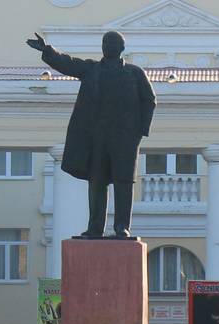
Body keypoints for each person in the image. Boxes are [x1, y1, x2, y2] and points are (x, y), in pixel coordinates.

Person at [27, 29, 156, 240]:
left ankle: (122, 228)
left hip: (125, 139)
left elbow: (149, 100)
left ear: (121, 48)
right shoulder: (91, 70)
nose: (108, 46)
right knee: (97, 183)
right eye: (106, 43)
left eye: (113, 43)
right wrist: (47, 50)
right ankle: (95, 228)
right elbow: (67, 63)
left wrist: (140, 131)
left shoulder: (134, 73)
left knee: (124, 183)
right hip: (97, 138)